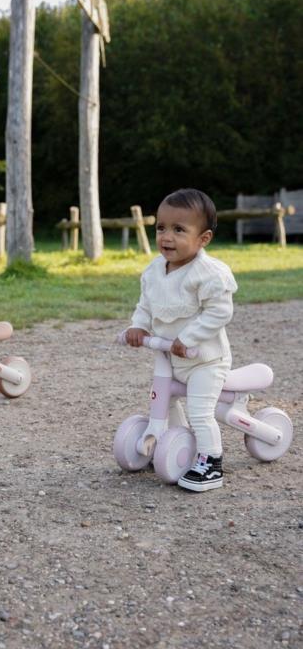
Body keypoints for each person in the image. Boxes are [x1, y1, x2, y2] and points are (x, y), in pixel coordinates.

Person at [125, 188, 237, 491]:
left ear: (204, 239)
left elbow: (219, 311)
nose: (166, 237)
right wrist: (138, 327)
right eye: (161, 228)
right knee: (164, 401)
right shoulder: (154, 271)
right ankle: (169, 444)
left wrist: (188, 337)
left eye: (178, 230)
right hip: (171, 357)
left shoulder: (208, 273)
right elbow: (146, 305)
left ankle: (211, 463)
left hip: (205, 361)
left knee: (200, 412)